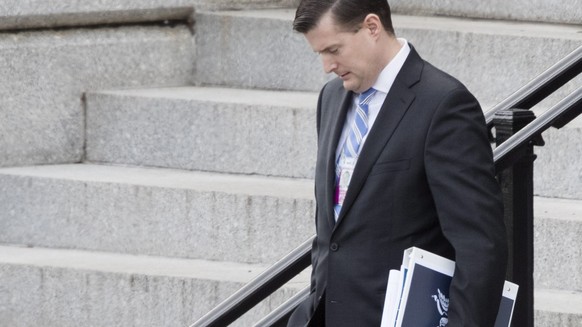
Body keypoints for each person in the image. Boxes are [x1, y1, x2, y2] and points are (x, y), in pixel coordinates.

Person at [288, 1, 508, 326]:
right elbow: (332, 232)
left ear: (372, 27)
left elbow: (480, 245)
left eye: (334, 49)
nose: (326, 65)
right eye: (319, 53)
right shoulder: (331, 98)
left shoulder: (444, 104)